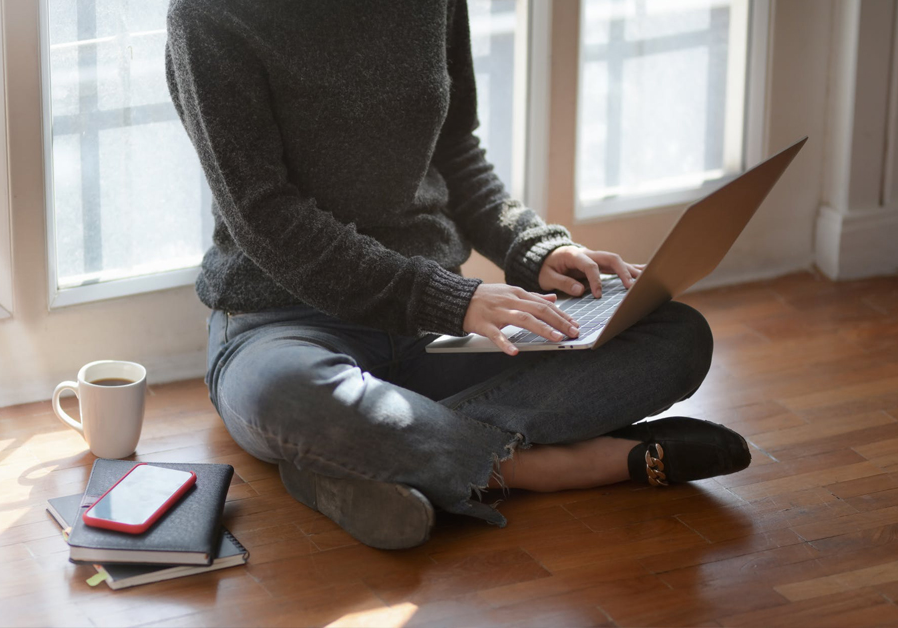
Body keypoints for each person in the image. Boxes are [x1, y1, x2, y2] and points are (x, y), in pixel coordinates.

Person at [165, 0, 751, 549]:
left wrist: (535, 247)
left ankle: (371, 458)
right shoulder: (208, 16)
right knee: (285, 395)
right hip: (282, 324)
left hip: (434, 331)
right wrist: (449, 297)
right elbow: (264, 216)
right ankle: (547, 467)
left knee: (674, 335)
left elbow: (455, 152)